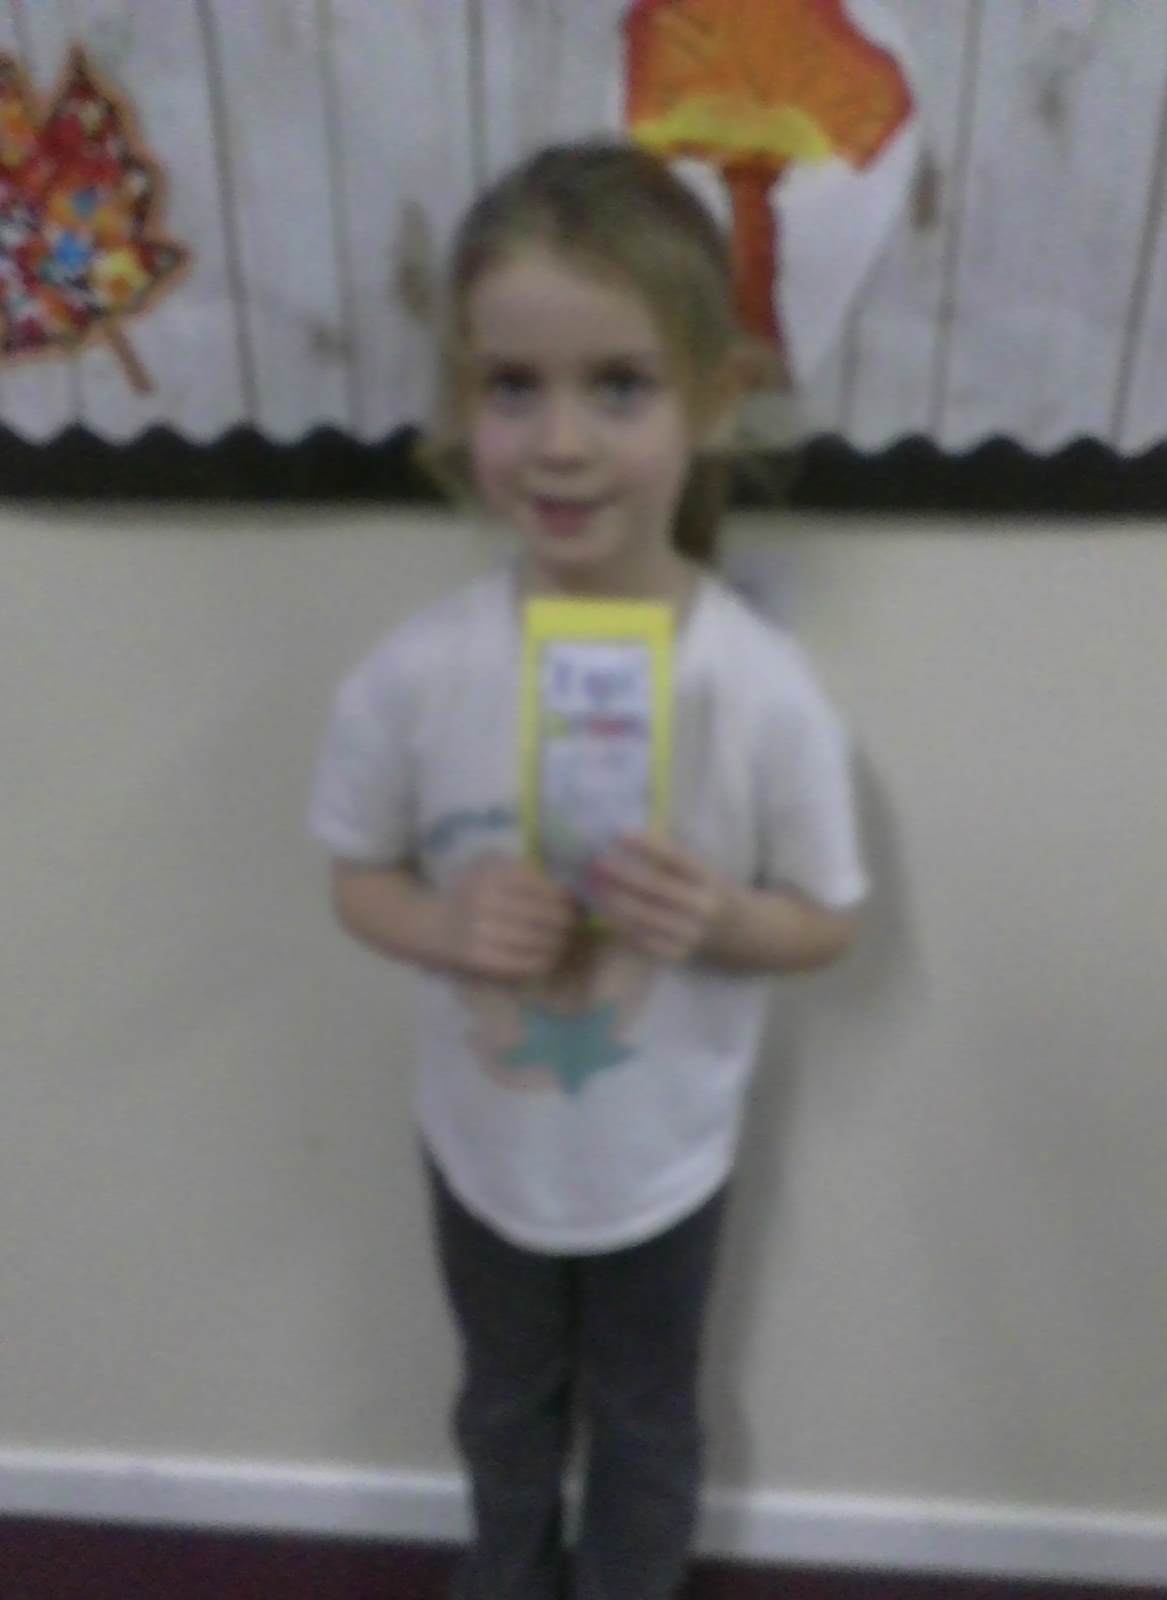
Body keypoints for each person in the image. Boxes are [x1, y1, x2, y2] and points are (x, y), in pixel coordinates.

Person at [309, 138, 869, 1600]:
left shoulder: (760, 688)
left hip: (662, 1166)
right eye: (513, 386)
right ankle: (504, 1575)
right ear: (464, 404)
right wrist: (444, 926)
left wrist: (726, 917)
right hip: (480, 1152)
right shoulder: (415, 676)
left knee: (645, 1421)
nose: (559, 442)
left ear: (714, 399)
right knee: (502, 1409)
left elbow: (828, 920)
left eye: (619, 386)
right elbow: (355, 878)